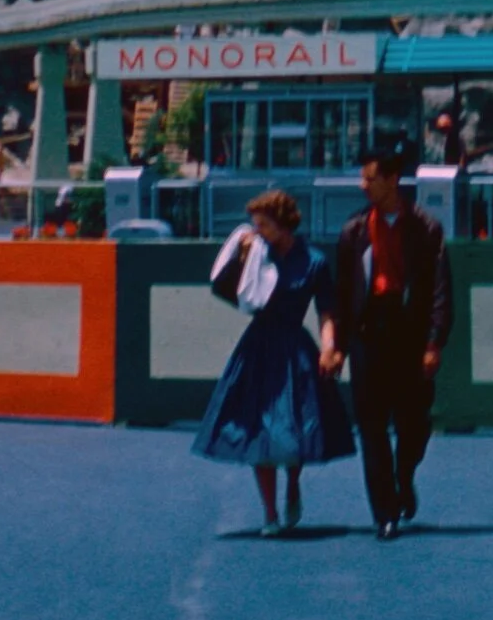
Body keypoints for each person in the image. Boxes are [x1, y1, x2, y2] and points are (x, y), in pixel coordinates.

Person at [193, 189, 354, 534]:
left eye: (263, 225)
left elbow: (327, 310)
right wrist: (242, 259)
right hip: (258, 346)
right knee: (259, 430)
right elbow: (229, 292)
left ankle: (293, 484)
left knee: (295, 427)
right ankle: (269, 512)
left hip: (295, 347)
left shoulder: (313, 261)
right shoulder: (255, 254)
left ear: (283, 225)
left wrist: (329, 348)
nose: (257, 232)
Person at [333, 144, 452, 539]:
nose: (363, 185)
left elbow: (439, 290)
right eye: (362, 177)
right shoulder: (352, 232)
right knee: (370, 427)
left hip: (410, 335)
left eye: (370, 177)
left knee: (414, 424)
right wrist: (336, 344)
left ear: (391, 180)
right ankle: (384, 512)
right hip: (369, 337)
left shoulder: (426, 229)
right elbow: (342, 292)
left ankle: (405, 474)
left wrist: (434, 342)